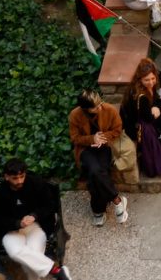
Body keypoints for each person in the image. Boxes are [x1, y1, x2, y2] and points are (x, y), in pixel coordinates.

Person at [0, 159, 72, 280]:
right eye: (15, 178)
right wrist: (17, 223)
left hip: (35, 227)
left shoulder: (36, 184)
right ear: (6, 177)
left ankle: (57, 272)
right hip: (11, 231)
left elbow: (49, 205)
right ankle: (56, 271)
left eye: (22, 177)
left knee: (32, 260)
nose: (19, 181)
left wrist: (34, 215)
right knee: (15, 252)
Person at [68, 89, 129, 227]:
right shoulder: (75, 115)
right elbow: (75, 138)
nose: (100, 107)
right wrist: (91, 139)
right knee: (95, 170)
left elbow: (118, 129)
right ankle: (117, 200)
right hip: (85, 149)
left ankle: (98, 209)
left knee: (95, 174)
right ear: (86, 109)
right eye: (96, 107)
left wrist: (102, 138)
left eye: (100, 103)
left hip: (105, 146)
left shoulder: (109, 110)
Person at [120, 58, 161, 178]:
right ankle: (159, 134)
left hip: (144, 116)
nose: (151, 82)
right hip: (139, 127)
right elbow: (149, 117)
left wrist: (157, 102)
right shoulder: (141, 96)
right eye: (147, 80)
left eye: (153, 78)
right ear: (140, 79)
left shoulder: (140, 87)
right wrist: (159, 101)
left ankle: (160, 131)